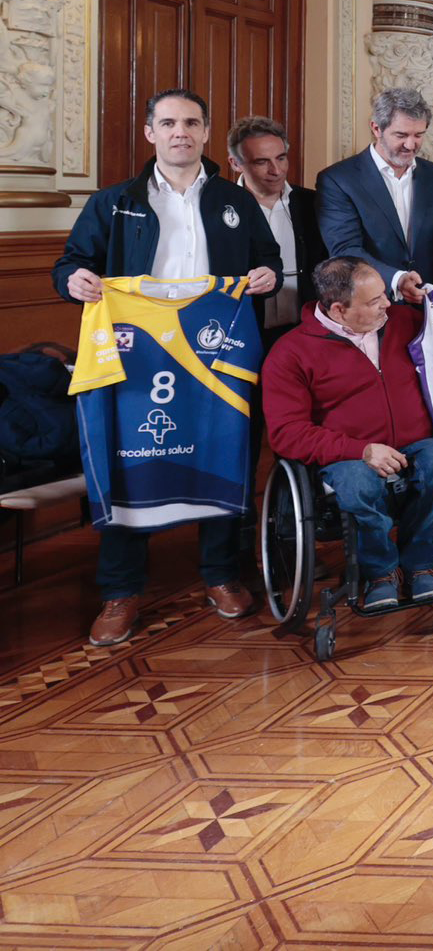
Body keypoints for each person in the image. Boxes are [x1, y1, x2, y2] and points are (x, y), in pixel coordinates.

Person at [53, 88, 281, 645]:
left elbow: (268, 258)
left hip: (214, 351)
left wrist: (267, 276)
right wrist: (73, 281)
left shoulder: (233, 199)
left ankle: (221, 574)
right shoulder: (114, 201)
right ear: (151, 132)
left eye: (192, 123)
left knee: (222, 451)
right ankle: (120, 590)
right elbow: (71, 263)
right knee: (130, 460)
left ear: (206, 133)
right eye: (170, 122)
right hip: (138, 354)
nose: (182, 132)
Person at [262, 256, 433, 608]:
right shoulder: (290, 353)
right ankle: (379, 571)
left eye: (384, 294)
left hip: (416, 442)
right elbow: (287, 433)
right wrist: (362, 450)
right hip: (348, 453)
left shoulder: (406, 322)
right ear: (339, 310)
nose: (388, 303)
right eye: (374, 301)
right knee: (358, 483)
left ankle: (420, 562)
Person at [315, 87, 433, 306]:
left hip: (430, 304)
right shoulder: (338, 180)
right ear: (376, 128)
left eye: (418, 135)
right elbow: (346, 250)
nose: (410, 145)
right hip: (371, 305)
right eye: (401, 135)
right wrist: (397, 280)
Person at [227, 115, 326, 348]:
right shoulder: (222, 207)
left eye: (281, 158)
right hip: (242, 336)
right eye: (262, 162)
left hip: (306, 334)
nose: (277, 170)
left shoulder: (314, 204)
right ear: (235, 163)